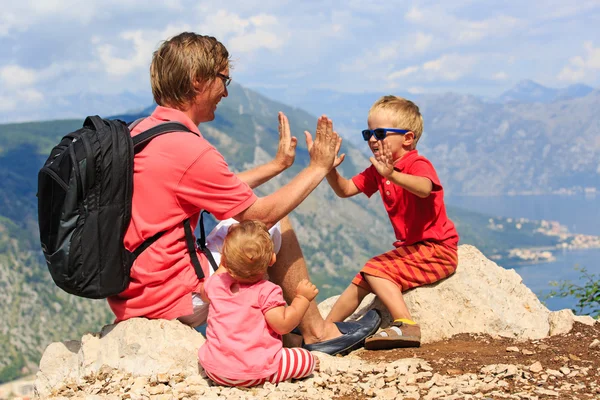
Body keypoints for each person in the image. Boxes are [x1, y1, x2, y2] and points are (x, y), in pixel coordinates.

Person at [106, 32, 381, 355]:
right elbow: (260, 216)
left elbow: (216, 186)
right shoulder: (187, 149)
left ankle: (281, 332)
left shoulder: (142, 131)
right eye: (224, 78)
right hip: (173, 297)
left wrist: (277, 165)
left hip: (135, 290)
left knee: (246, 232)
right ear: (198, 81)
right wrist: (318, 168)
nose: (225, 90)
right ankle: (318, 333)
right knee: (270, 227)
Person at [323, 95, 459, 349]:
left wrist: (392, 175)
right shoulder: (380, 169)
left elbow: (424, 188)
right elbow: (345, 189)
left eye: (380, 133)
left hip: (438, 250)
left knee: (375, 268)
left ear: (407, 138)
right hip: (415, 251)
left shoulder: (415, 164)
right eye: (368, 133)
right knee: (362, 278)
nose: (373, 139)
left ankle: (405, 324)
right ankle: (323, 330)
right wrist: (328, 169)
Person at [199, 220, 320, 386]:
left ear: (225, 260)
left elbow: (204, 294)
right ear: (272, 259)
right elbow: (283, 325)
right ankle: (308, 363)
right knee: (304, 358)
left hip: (216, 371)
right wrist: (302, 299)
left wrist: (224, 266)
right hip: (255, 372)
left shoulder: (216, 283)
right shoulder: (267, 291)